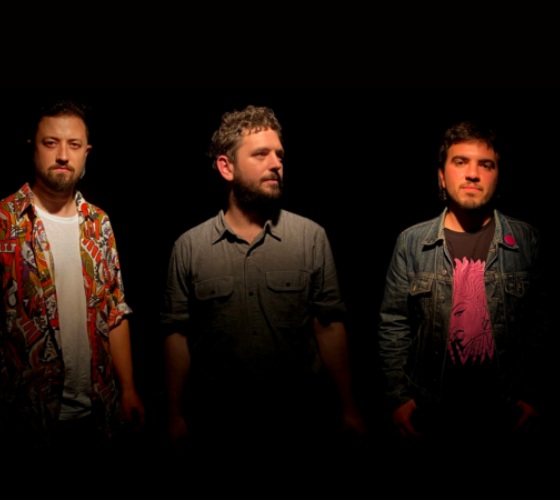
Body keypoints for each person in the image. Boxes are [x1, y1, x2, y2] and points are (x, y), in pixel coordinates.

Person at [160, 104, 366, 496]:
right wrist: (173, 414)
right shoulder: (189, 247)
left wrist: (349, 407)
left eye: (280, 155)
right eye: (261, 154)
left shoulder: (310, 237)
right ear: (226, 167)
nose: (276, 164)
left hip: (299, 427)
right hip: (217, 430)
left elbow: (328, 325)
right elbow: (176, 333)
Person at [376, 119, 550, 497]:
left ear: (498, 176)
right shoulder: (411, 243)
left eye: (485, 164)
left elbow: (545, 323)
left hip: (505, 419)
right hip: (432, 417)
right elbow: (393, 323)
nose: (473, 173)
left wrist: (535, 395)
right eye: (460, 162)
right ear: (441, 176)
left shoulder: (526, 240)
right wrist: (397, 399)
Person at [0, 98, 146, 488]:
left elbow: (115, 310)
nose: (63, 155)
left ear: (86, 153)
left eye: (74, 145)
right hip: (24, 418)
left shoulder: (99, 223)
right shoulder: (5, 221)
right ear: (33, 146)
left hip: (96, 412)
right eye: (51, 143)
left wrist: (129, 389)